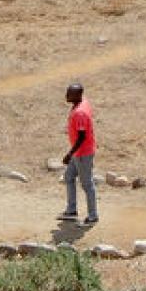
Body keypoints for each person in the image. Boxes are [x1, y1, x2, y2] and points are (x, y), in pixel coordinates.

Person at [59, 83, 98, 225]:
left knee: (87, 184)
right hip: (79, 153)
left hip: (82, 154)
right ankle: (71, 210)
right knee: (69, 177)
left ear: (77, 96)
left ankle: (93, 216)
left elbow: (82, 137)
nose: (66, 96)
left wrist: (69, 154)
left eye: (69, 93)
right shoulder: (83, 102)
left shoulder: (80, 113)